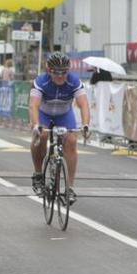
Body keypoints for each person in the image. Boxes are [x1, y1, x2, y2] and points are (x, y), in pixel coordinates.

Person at [29, 52, 91, 201]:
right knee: (42, 135)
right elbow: (33, 105)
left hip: (64, 115)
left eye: (64, 72)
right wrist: (36, 125)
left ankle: (69, 187)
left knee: (71, 141)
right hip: (44, 114)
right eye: (56, 72)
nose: (60, 76)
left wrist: (85, 124)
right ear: (48, 70)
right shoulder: (40, 81)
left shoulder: (74, 81)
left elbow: (84, 104)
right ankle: (38, 175)